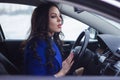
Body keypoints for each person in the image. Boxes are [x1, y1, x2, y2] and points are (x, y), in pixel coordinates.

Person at [23, 1, 83, 77]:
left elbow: (51, 68)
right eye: (53, 16)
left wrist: (62, 66)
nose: (59, 19)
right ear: (43, 20)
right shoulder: (36, 46)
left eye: (59, 16)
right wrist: (62, 72)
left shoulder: (49, 40)